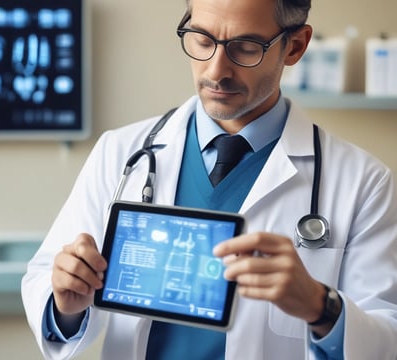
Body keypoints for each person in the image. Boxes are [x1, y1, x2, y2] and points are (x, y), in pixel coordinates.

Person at [21, 0, 397, 358]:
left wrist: (319, 305)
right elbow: (48, 280)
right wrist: (65, 304)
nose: (216, 70)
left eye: (245, 47)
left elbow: (387, 338)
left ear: (295, 46)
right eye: (202, 39)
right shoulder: (120, 152)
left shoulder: (363, 182)